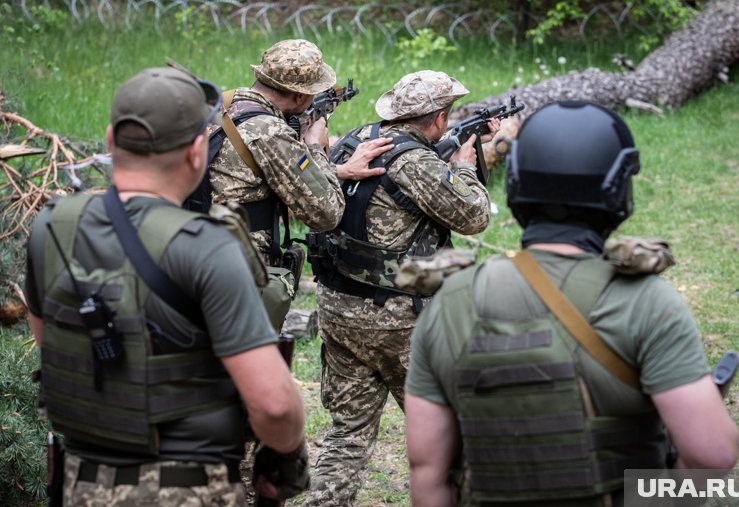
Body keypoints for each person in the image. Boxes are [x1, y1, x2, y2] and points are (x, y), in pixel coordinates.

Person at [404, 100, 739, 506]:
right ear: (617, 188)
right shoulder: (647, 302)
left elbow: (427, 472)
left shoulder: (450, 303)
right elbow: (713, 455)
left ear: (516, 185)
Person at [24, 66, 308, 506]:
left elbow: (57, 348)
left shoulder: (52, 227)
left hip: (79, 482)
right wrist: (288, 456)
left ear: (110, 140)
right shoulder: (208, 247)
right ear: (198, 151)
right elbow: (274, 406)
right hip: (187, 489)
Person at [301, 70, 495, 506]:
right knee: (451, 430)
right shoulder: (417, 163)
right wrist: (463, 167)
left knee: (347, 434)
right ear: (439, 118)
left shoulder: (355, 139)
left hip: (339, 307)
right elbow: (474, 217)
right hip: (400, 319)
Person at [206, 38, 391, 262]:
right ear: (300, 96)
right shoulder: (270, 131)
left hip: (196, 244)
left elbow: (258, 172)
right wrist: (315, 146)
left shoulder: (222, 104)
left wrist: (339, 171)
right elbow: (326, 213)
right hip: (237, 262)